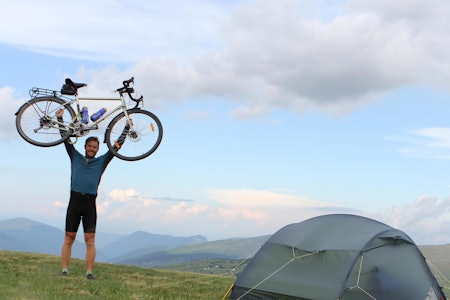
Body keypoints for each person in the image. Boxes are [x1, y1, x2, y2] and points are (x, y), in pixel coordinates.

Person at [56, 109, 128, 279]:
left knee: (90, 239)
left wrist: (126, 128)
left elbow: (116, 146)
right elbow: (66, 139)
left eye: (94, 147)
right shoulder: (75, 157)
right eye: (89, 146)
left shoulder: (101, 161)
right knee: (69, 237)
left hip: (89, 204)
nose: (92, 149)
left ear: (97, 149)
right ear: (85, 147)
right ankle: (64, 270)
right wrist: (59, 117)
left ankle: (89, 272)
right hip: (74, 201)